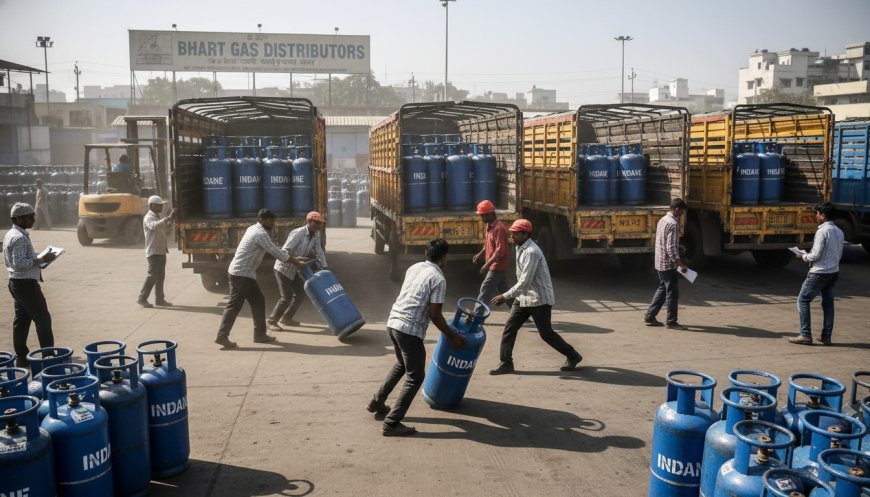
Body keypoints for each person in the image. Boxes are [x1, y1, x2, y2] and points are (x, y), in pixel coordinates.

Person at [367, 238, 466, 437]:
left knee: (402, 365)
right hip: (409, 331)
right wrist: (452, 336)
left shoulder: (414, 267)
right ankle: (392, 423)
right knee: (416, 377)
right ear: (444, 257)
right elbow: (435, 314)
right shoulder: (438, 279)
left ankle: (377, 402)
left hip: (393, 322)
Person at [489, 219, 582, 375]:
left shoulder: (532, 252)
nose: (513, 236)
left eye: (516, 233)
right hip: (523, 298)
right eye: (512, 233)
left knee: (546, 334)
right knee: (509, 329)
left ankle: (573, 356)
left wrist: (505, 296)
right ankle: (506, 363)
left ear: (526, 234)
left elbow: (525, 282)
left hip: (539, 299)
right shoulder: (519, 247)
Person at [214, 209, 291, 349]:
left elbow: (274, 247)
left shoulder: (254, 228)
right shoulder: (259, 233)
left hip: (242, 273)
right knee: (236, 305)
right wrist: (295, 261)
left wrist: (288, 254)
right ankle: (223, 336)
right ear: (262, 220)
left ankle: (258, 335)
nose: (273, 223)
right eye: (270, 221)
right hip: (241, 274)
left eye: (273, 221)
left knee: (257, 301)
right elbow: (275, 252)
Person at [3, 202, 57, 368]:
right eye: (29, 217)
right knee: (43, 319)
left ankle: (22, 357)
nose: (33, 219)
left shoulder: (13, 233)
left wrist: (40, 256)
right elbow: (18, 262)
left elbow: (22, 258)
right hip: (25, 285)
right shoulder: (19, 237)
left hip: (17, 284)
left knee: (22, 320)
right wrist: (41, 260)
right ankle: (49, 357)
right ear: (19, 219)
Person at [789, 202, 844, 346]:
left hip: (819, 272)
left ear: (823, 216)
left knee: (802, 300)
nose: (816, 215)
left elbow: (816, 255)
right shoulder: (839, 231)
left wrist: (803, 255)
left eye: (818, 213)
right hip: (833, 271)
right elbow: (838, 253)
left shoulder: (822, 231)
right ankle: (826, 336)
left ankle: (805, 335)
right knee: (828, 304)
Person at [267, 211, 327, 330]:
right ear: (309, 222)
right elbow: (285, 250)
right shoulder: (298, 233)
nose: (318, 226)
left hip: (295, 269)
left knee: (300, 294)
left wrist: (325, 268)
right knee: (286, 297)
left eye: (319, 223)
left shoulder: (315, 235)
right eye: (315, 223)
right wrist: (296, 260)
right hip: (283, 268)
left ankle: (286, 318)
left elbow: (319, 252)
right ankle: (271, 321)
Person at [643, 198, 688, 330]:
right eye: (682, 212)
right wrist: (680, 264)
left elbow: (665, 242)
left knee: (663, 288)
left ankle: (650, 316)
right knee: (672, 293)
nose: (682, 214)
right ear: (677, 210)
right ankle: (671, 321)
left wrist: (678, 246)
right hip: (668, 264)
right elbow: (670, 249)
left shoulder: (662, 220)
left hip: (659, 261)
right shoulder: (673, 224)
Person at [472, 200, 510, 313]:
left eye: (483, 216)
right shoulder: (489, 226)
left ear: (490, 214)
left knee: (485, 288)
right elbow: (487, 245)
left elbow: (499, 252)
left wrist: (486, 265)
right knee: (506, 291)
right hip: (494, 264)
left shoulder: (498, 228)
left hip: (497, 265)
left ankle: (477, 315)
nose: (481, 218)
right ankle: (520, 313)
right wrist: (480, 255)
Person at [138, 196, 176, 308]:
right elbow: (153, 226)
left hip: (160, 251)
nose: (162, 207)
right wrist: (167, 219)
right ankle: (142, 298)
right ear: (152, 205)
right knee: (152, 276)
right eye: (160, 205)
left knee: (160, 277)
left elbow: (163, 227)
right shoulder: (148, 218)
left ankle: (159, 299)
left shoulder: (156, 217)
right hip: (153, 251)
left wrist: (170, 220)